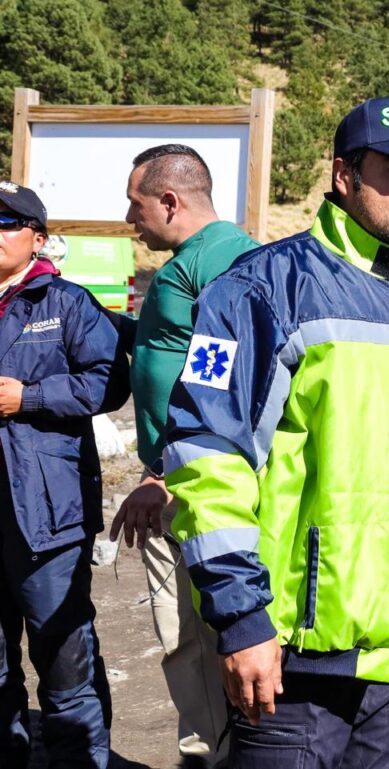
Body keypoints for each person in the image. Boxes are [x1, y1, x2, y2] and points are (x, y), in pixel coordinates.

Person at [162, 95, 389, 768]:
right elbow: (207, 455)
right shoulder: (260, 289)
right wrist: (241, 617)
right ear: (345, 177)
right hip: (294, 665)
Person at [108, 144, 259, 768]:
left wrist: (171, 474)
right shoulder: (191, 261)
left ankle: (225, 754)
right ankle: (209, 750)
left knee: (209, 635)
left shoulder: (221, 258)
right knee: (185, 638)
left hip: (199, 486)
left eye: (135, 204)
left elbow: (217, 385)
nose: (129, 220)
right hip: (175, 476)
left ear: (170, 201)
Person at [0, 182, 130, 768]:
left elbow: (110, 382)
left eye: (7, 222)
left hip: (46, 520)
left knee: (63, 662)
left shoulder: (65, 303)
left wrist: (27, 397)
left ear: (38, 238)